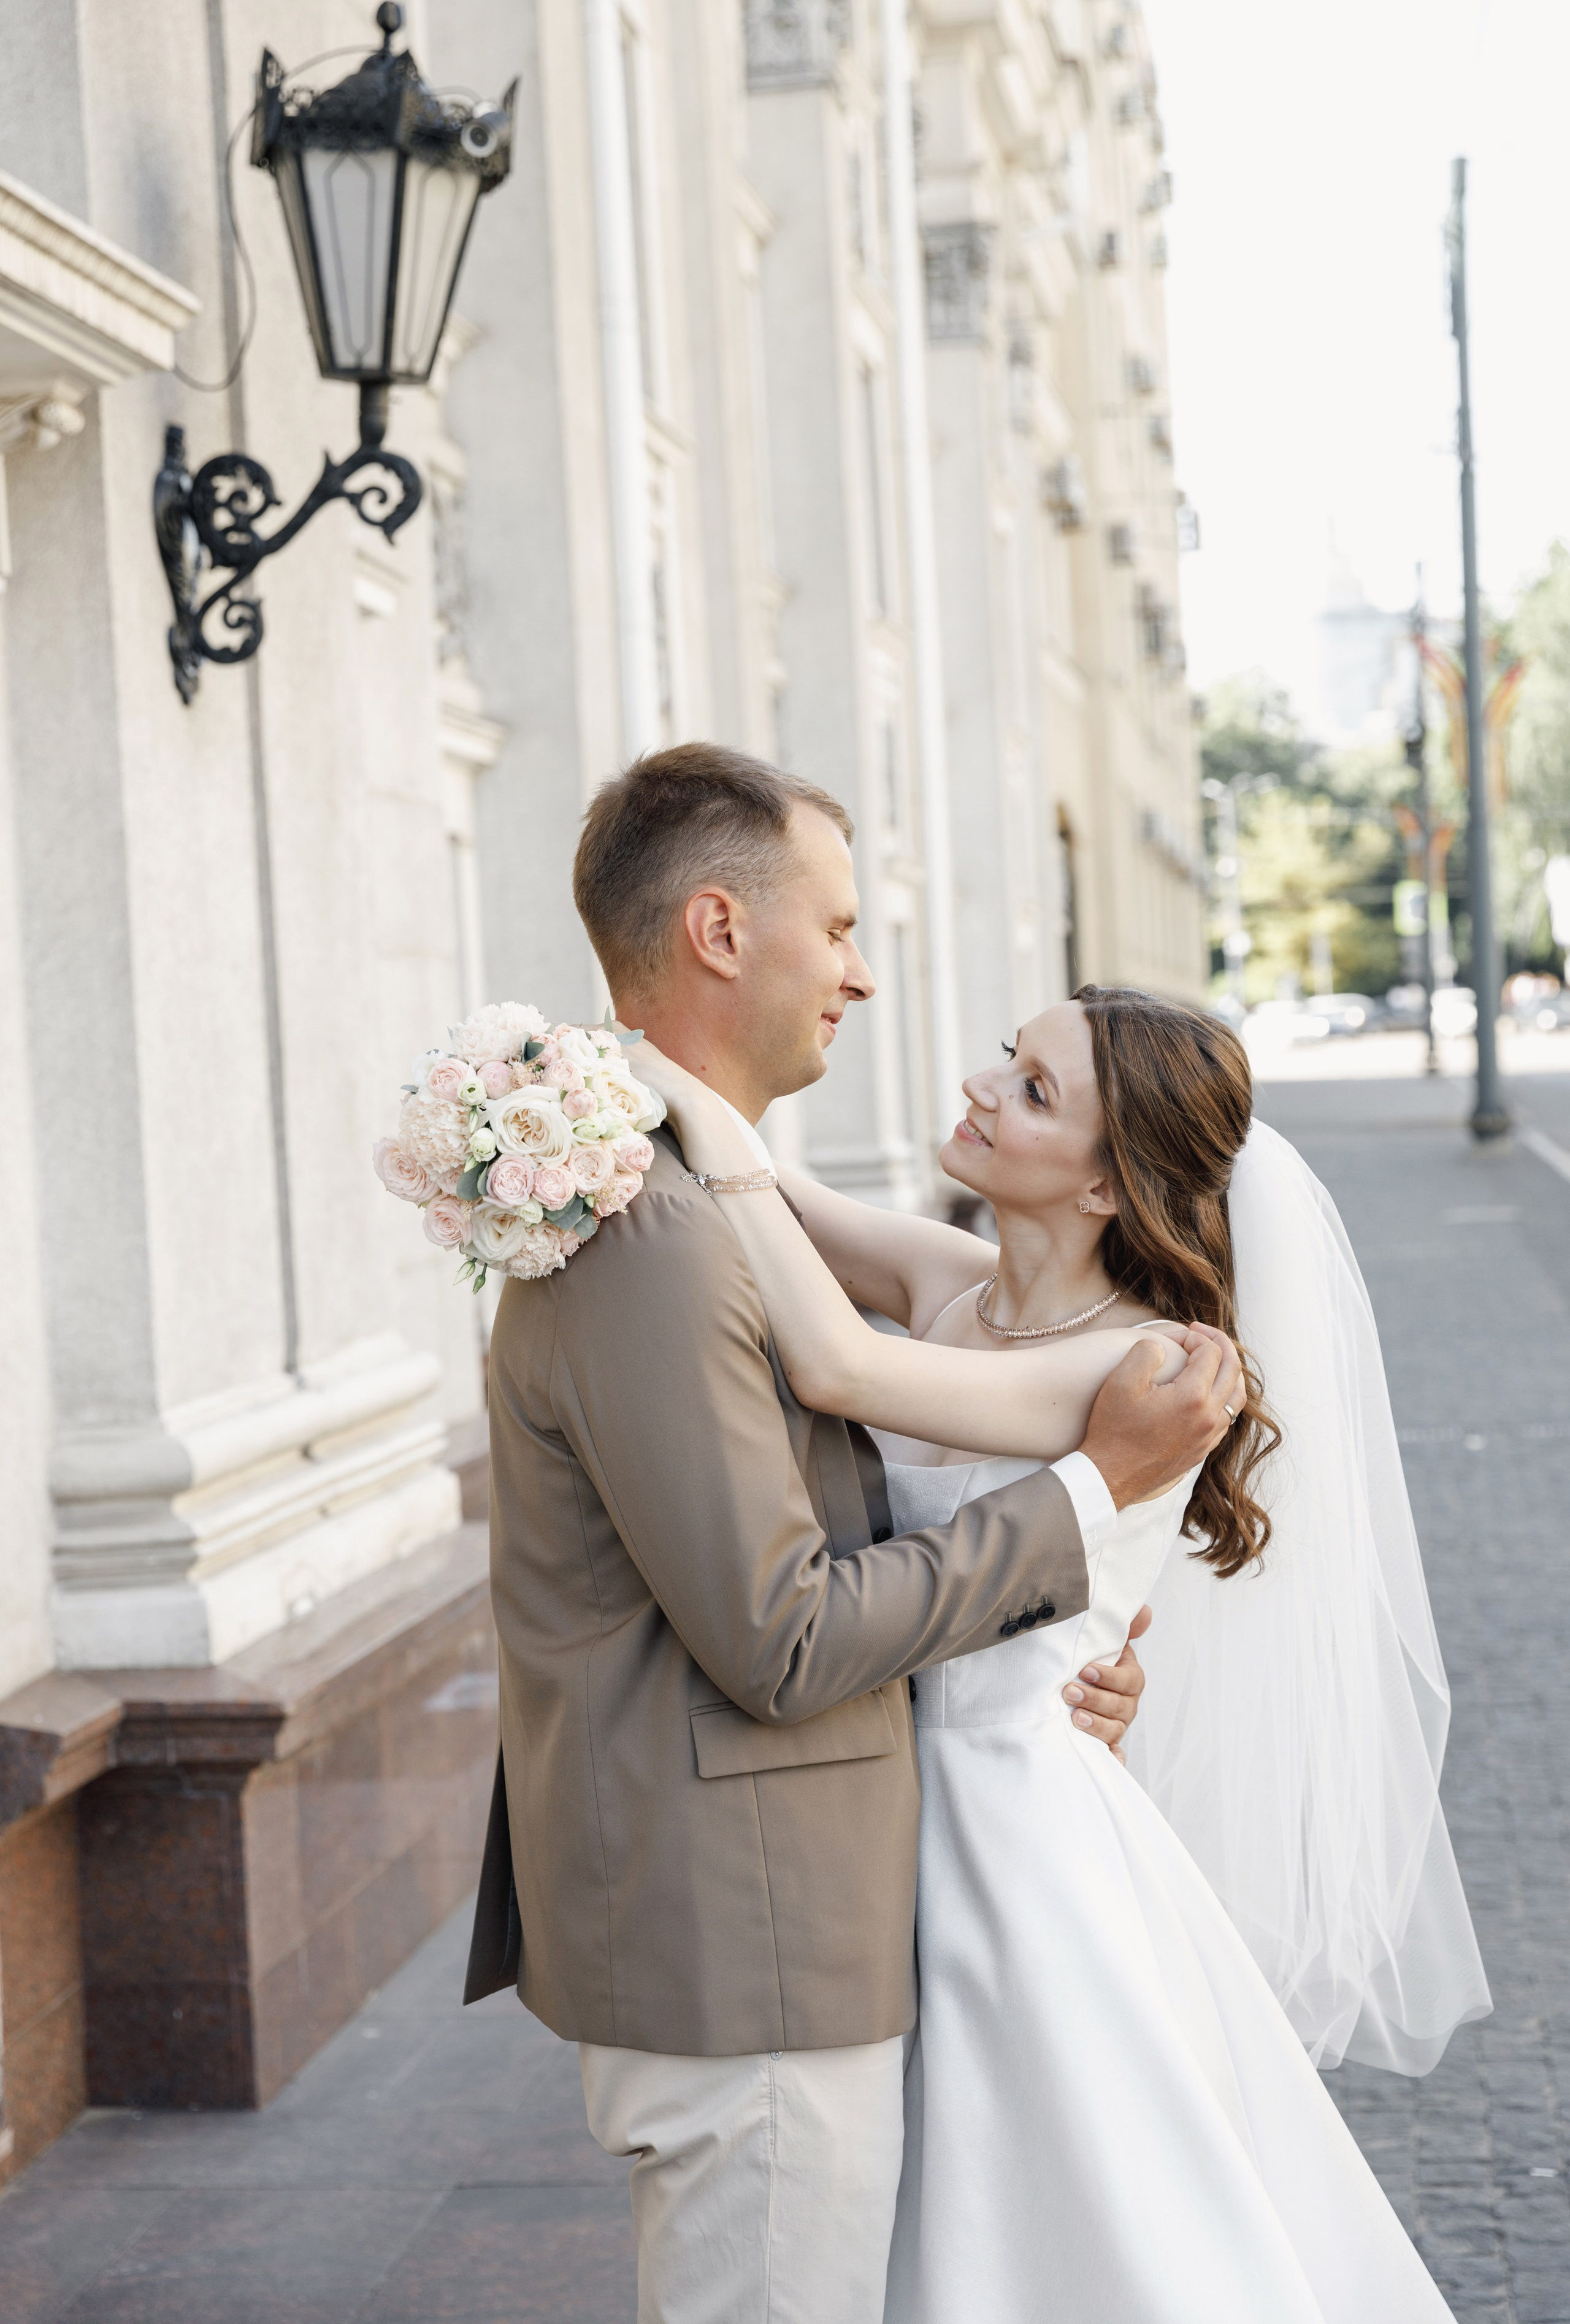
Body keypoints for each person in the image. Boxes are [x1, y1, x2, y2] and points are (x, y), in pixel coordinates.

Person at [464, 744, 1243, 2323]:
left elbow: (823, 1328)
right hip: (773, 1916)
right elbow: (789, 1613)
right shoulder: (664, 1222)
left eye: (1032, 1086)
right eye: (836, 927)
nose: (868, 979)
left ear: (1104, 1177)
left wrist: (1080, 1637)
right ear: (719, 933)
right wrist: (1081, 1515)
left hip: (943, 1862)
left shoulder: (675, 1196)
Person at [630, 980, 1491, 2322]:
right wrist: (620, 1080)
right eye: (1003, 1059)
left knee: (1049, 2199)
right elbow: (770, 1206)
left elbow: (837, 1370)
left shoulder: (1139, 1366)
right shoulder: (956, 1282)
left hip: (1013, 1831)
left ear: (1106, 1186)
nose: (980, 1089)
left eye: (1033, 1092)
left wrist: (680, 1095)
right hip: (870, 1791)